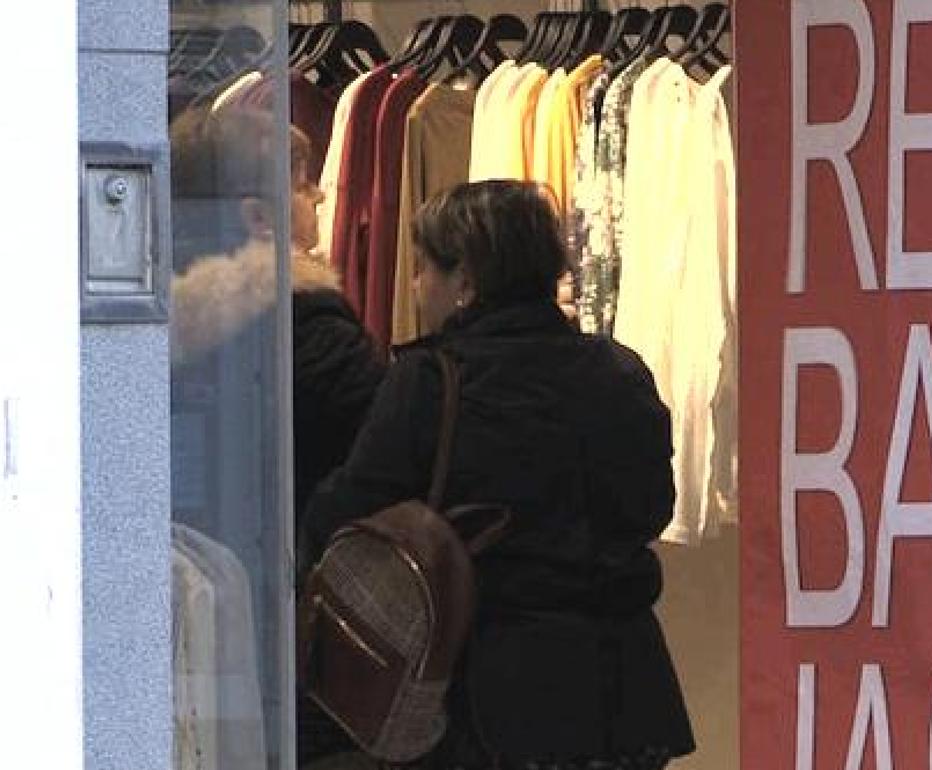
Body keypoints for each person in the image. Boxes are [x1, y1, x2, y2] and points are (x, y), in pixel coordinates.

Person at [302, 180, 695, 770]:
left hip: (493, 698)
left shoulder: (432, 381)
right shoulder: (619, 370)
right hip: (625, 690)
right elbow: (650, 508)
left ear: (465, 282)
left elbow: (344, 515)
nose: (415, 286)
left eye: (423, 269)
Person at [169, 105, 388, 522]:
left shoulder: (144, 325)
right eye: (303, 187)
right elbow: (380, 469)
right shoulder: (313, 332)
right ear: (258, 217)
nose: (320, 196)